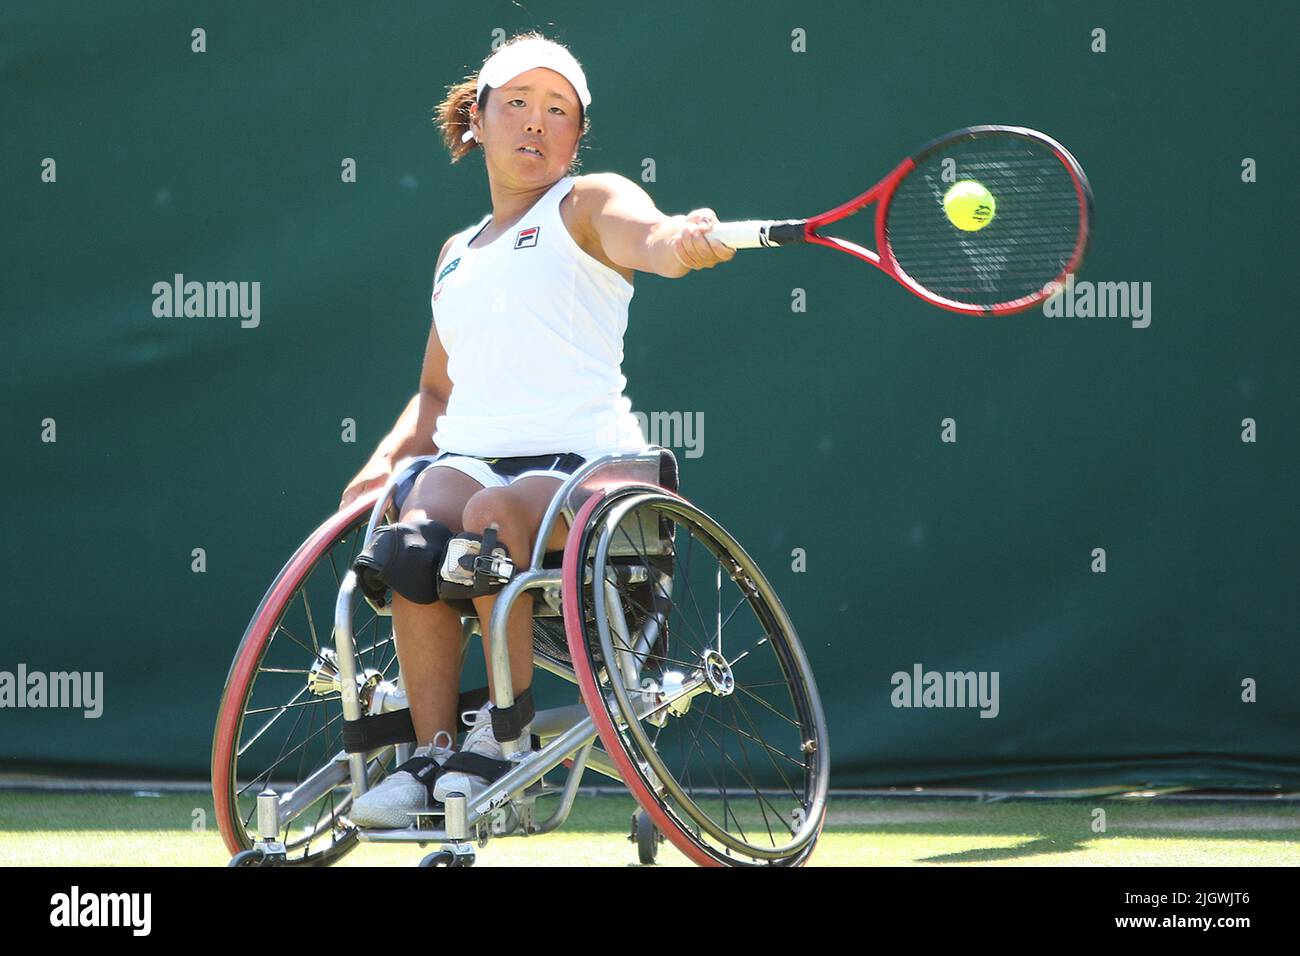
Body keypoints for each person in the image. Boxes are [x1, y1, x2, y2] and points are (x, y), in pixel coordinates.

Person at [339, 31, 734, 827]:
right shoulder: (456, 254)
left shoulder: (588, 203)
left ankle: (503, 744)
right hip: (473, 457)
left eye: (558, 110)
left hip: (587, 469)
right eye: (516, 103)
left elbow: (650, 237)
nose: (535, 122)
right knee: (410, 544)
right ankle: (431, 755)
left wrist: (682, 242)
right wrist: (381, 466)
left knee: (489, 521)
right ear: (476, 120)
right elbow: (433, 391)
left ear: (577, 137)